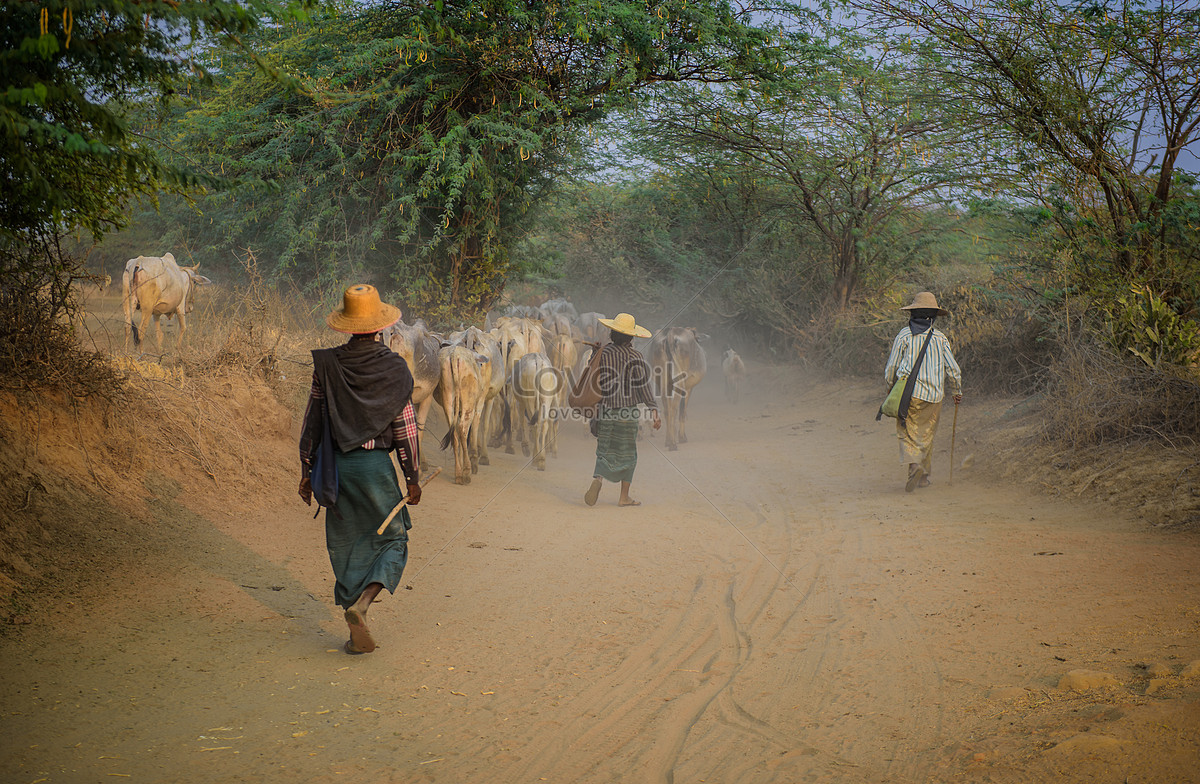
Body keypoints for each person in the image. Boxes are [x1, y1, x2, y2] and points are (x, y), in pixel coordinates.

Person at [298, 284, 422, 655]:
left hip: (334, 468)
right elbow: (405, 428)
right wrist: (412, 477)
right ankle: (363, 606)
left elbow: (313, 420)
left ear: (348, 327)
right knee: (394, 540)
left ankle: (355, 631)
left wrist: (306, 470)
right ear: (381, 327)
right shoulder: (395, 369)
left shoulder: (328, 365)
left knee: (347, 545)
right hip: (375, 470)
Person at [884, 291, 963, 493]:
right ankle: (924, 477)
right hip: (934, 396)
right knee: (926, 433)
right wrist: (956, 390)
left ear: (912, 314)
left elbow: (891, 368)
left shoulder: (903, 335)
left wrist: (890, 388)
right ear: (933, 316)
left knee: (907, 431)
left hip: (908, 395)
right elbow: (953, 369)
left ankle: (914, 466)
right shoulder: (940, 338)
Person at [584, 312, 661, 507]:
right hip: (627, 412)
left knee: (604, 449)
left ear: (612, 334)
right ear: (631, 337)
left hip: (606, 409)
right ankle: (624, 497)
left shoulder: (605, 353)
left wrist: (595, 352)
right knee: (628, 453)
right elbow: (643, 386)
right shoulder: (636, 356)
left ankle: (598, 479)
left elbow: (591, 370)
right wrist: (654, 410)